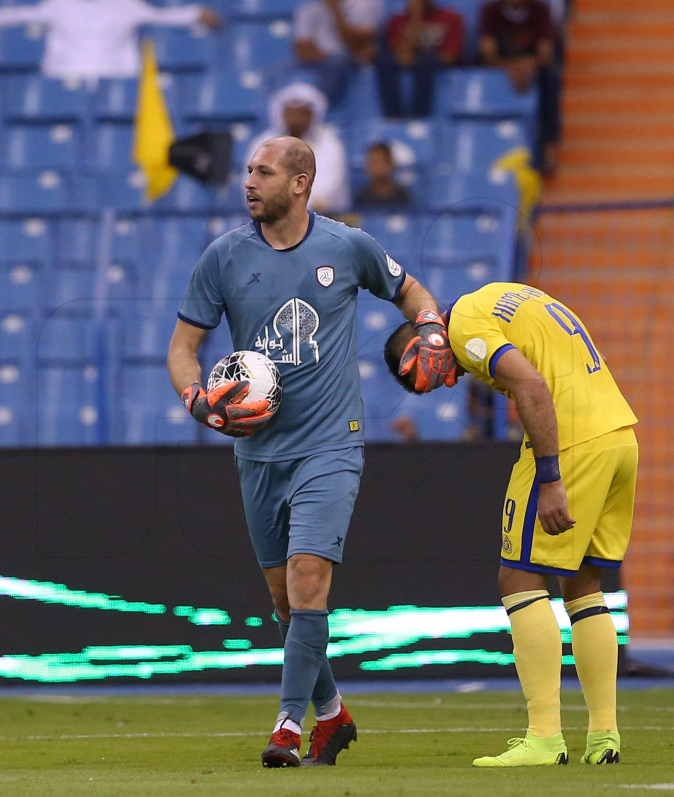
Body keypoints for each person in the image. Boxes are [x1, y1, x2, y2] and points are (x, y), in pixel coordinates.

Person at [168, 135, 457, 767]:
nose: (249, 181)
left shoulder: (347, 245)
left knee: (307, 581)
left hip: (331, 445)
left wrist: (431, 327)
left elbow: (412, 292)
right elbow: (183, 348)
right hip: (258, 453)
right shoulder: (222, 256)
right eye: (247, 170)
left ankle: (287, 728)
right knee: (285, 602)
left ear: (300, 183)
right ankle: (332, 715)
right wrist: (198, 402)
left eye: (264, 172)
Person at [384, 282, 638, 767]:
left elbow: (531, 386)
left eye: (439, 375)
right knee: (583, 584)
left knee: (518, 577)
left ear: (424, 345)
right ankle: (604, 737)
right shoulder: (497, 296)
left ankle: (543, 737)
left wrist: (550, 478)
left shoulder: (463, 328)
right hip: (618, 433)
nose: (452, 380)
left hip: (573, 438)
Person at [0, 0, 221, 83]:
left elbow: (164, 17)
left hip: (116, 80)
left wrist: (197, 14)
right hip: (65, 79)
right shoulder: (60, 5)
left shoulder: (126, 5)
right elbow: (17, 14)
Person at [478, 0, 562, 174]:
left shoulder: (540, 10)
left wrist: (529, 64)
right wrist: (510, 66)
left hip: (533, 66)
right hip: (501, 66)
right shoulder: (490, 11)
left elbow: (545, 52)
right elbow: (487, 51)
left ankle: (548, 149)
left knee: (550, 78)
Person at [245, 82, 351, 214]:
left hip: (324, 220)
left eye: (303, 114)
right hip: (272, 218)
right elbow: (253, 185)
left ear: (313, 116)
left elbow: (324, 190)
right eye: (291, 114)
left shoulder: (329, 144)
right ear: (281, 114)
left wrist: (281, 202)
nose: (296, 120)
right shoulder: (263, 144)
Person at [375, 0, 465, 119]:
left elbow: (450, 56)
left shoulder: (451, 18)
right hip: (409, 61)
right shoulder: (398, 20)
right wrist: (416, 18)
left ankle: (420, 117)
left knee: (425, 61)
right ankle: (393, 117)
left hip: (433, 64)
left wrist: (418, 55)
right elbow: (401, 53)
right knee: (384, 61)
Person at [292, 0, 384, 104]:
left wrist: (336, 12)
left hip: (350, 60)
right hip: (320, 60)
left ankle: (312, 106)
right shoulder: (309, 8)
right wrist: (325, 56)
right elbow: (302, 50)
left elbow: (356, 46)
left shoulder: (365, 4)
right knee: (276, 74)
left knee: (337, 62)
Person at [353, 141, 412, 209]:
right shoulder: (361, 198)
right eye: (371, 162)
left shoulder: (402, 197)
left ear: (390, 164)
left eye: (378, 162)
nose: (374, 167)